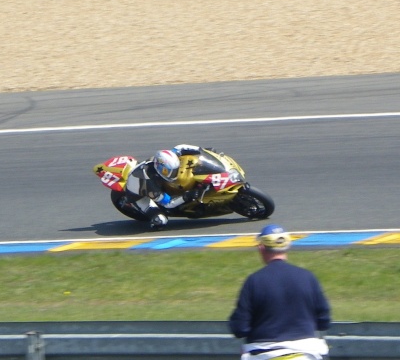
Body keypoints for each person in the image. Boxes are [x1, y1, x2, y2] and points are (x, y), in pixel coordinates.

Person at [228, 225, 331, 360]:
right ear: (288, 247)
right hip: (307, 353)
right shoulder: (308, 277)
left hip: (265, 353)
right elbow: (324, 321)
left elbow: (240, 328)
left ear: (261, 248)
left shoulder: (254, 281)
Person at [123, 144, 210, 229]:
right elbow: (168, 204)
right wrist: (186, 196)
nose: (173, 174)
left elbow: (180, 148)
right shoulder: (150, 185)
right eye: (168, 172)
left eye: (174, 171)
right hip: (139, 196)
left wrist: (202, 150)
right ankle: (150, 219)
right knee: (161, 220)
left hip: (152, 180)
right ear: (159, 168)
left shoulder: (165, 159)